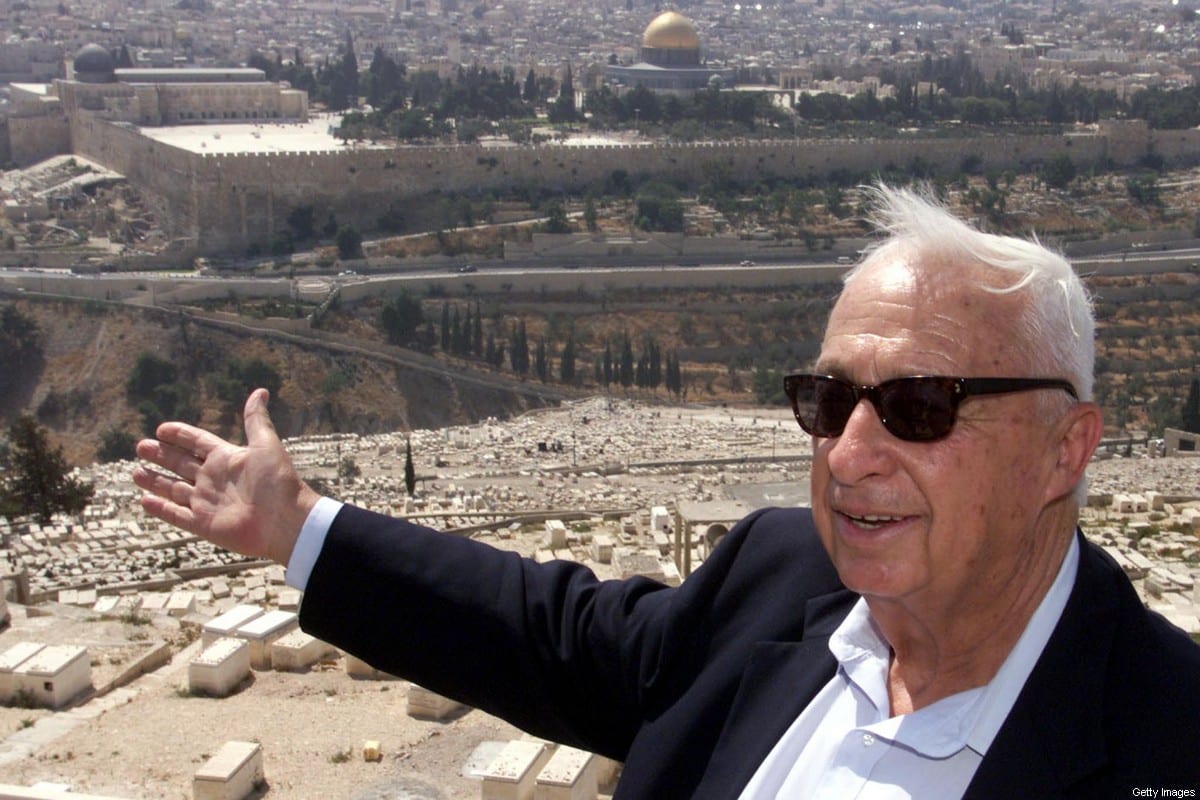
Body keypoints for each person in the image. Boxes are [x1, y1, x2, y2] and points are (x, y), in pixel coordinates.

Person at [133, 185, 1200, 798]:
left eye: (919, 404)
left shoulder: (1169, 740)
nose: (850, 452)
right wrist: (298, 526)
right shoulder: (782, 577)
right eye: (827, 400)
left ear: (1065, 449)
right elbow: (548, 632)